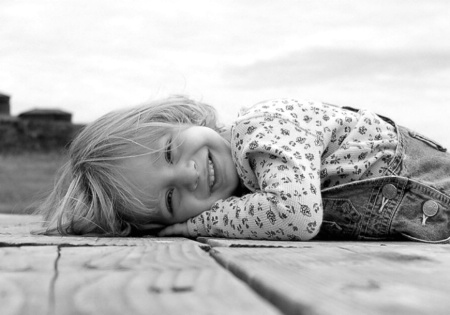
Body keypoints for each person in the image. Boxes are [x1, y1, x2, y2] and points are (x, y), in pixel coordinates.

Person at [37, 95, 450, 242]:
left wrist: (193, 224)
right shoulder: (251, 198)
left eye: (167, 152)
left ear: (180, 117)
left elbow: (297, 215)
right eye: (168, 199)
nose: (187, 176)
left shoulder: (261, 128)